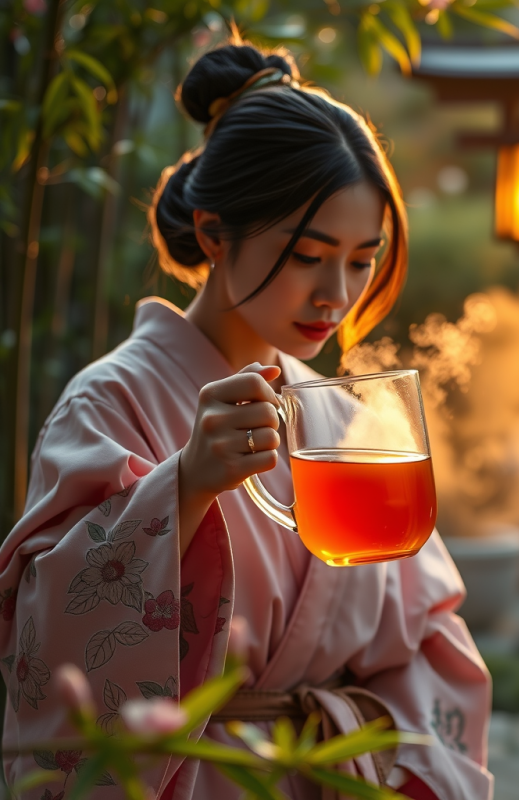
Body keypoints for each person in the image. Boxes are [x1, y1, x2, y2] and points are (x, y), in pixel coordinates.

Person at [0, 40, 493, 799]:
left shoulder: (337, 413)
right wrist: (184, 486)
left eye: (363, 259)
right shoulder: (110, 401)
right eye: (307, 254)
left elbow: (427, 629)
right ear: (213, 233)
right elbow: (47, 639)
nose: (338, 294)